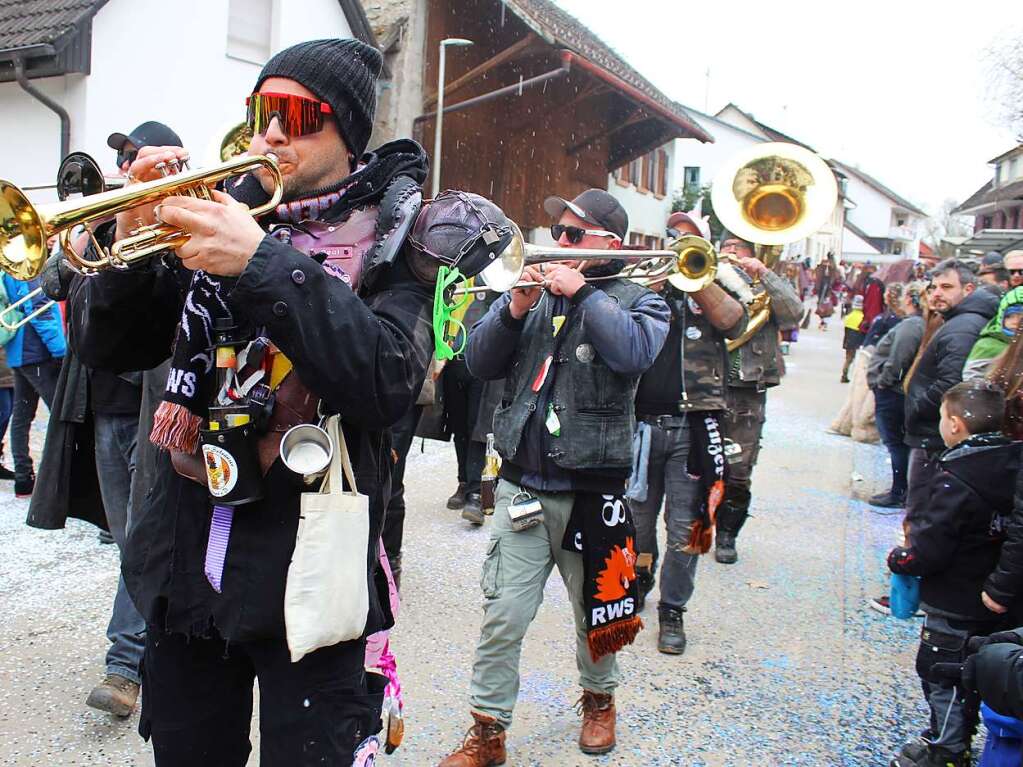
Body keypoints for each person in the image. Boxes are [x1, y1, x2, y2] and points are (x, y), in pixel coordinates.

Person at [70, 38, 499, 764]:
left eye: (298, 114)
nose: (271, 132)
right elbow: (110, 348)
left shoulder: (402, 235)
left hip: (313, 562)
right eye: (263, 110)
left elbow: (388, 381)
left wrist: (263, 263)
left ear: (348, 130)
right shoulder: (220, 211)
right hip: (189, 553)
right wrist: (129, 239)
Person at [438, 189, 670, 764]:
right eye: (558, 233)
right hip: (522, 483)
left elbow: (634, 354)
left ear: (609, 246)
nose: (558, 244)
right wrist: (513, 308)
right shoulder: (533, 295)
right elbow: (479, 364)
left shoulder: (643, 302)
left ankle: (599, 701)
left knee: (600, 613)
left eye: (573, 236)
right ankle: (488, 732)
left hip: (595, 489)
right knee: (503, 615)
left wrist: (584, 292)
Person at [27, 124, 182, 717]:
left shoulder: (174, 223)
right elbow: (49, 283)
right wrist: (90, 225)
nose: (121, 166)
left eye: (132, 158)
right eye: (119, 159)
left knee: (145, 535)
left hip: (155, 408)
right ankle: (156, 639)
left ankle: (126, 666)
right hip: (100, 412)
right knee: (129, 540)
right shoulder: (99, 228)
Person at [629, 209, 747, 655]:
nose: (678, 244)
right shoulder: (645, 281)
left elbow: (735, 321)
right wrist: (652, 283)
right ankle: (639, 580)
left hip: (695, 425)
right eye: (673, 236)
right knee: (637, 522)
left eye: (688, 238)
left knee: (689, 527)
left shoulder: (718, 280)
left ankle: (673, 609)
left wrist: (699, 279)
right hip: (642, 423)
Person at [887, 380, 1020, 767]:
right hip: (998, 593)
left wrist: (901, 559)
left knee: (941, 673)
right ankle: (961, 736)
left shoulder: (954, 476)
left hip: (954, 597)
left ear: (956, 424)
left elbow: (931, 548)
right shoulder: (1013, 461)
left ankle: (948, 748)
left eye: (943, 418)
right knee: (981, 669)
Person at [717, 232, 803, 564]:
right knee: (700, 464)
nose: (729, 254)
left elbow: (794, 314)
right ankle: (700, 525)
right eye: (725, 247)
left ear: (755, 254)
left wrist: (764, 275)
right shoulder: (709, 276)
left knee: (738, 466)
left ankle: (727, 533)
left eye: (737, 249)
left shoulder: (766, 285)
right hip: (707, 384)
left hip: (747, 388)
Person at [902, 261, 998, 539]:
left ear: (968, 289)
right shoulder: (959, 320)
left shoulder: (963, 326)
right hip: (935, 431)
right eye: (933, 287)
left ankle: (910, 573)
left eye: (946, 287)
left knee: (920, 515)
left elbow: (951, 382)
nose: (936, 294)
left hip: (934, 434)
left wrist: (917, 410)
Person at [1, 268, 66, 497]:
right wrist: (60, 349)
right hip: (36, 350)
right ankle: (59, 477)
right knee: (59, 413)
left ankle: (23, 478)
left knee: (21, 416)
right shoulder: (25, 267)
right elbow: (40, 309)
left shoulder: (11, 267)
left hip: (20, 350)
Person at [866, 283, 925, 507]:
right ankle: (900, 488)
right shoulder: (916, 324)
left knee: (896, 443)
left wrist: (883, 383)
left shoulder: (912, 325)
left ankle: (899, 490)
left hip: (893, 393)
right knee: (897, 443)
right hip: (896, 392)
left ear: (909, 299)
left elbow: (899, 359)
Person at [963, 286, 1023, 380]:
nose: (1015, 321)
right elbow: (971, 375)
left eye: (1021, 318)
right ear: (1001, 317)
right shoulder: (988, 344)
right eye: (1009, 316)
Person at [841, 294, 866, 383]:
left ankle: (844, 374)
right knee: (853, 358)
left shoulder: (849, 316)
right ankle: (847, 375)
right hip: (857, 338)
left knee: (848, 358)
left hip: (848, 338)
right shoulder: (862, 317)